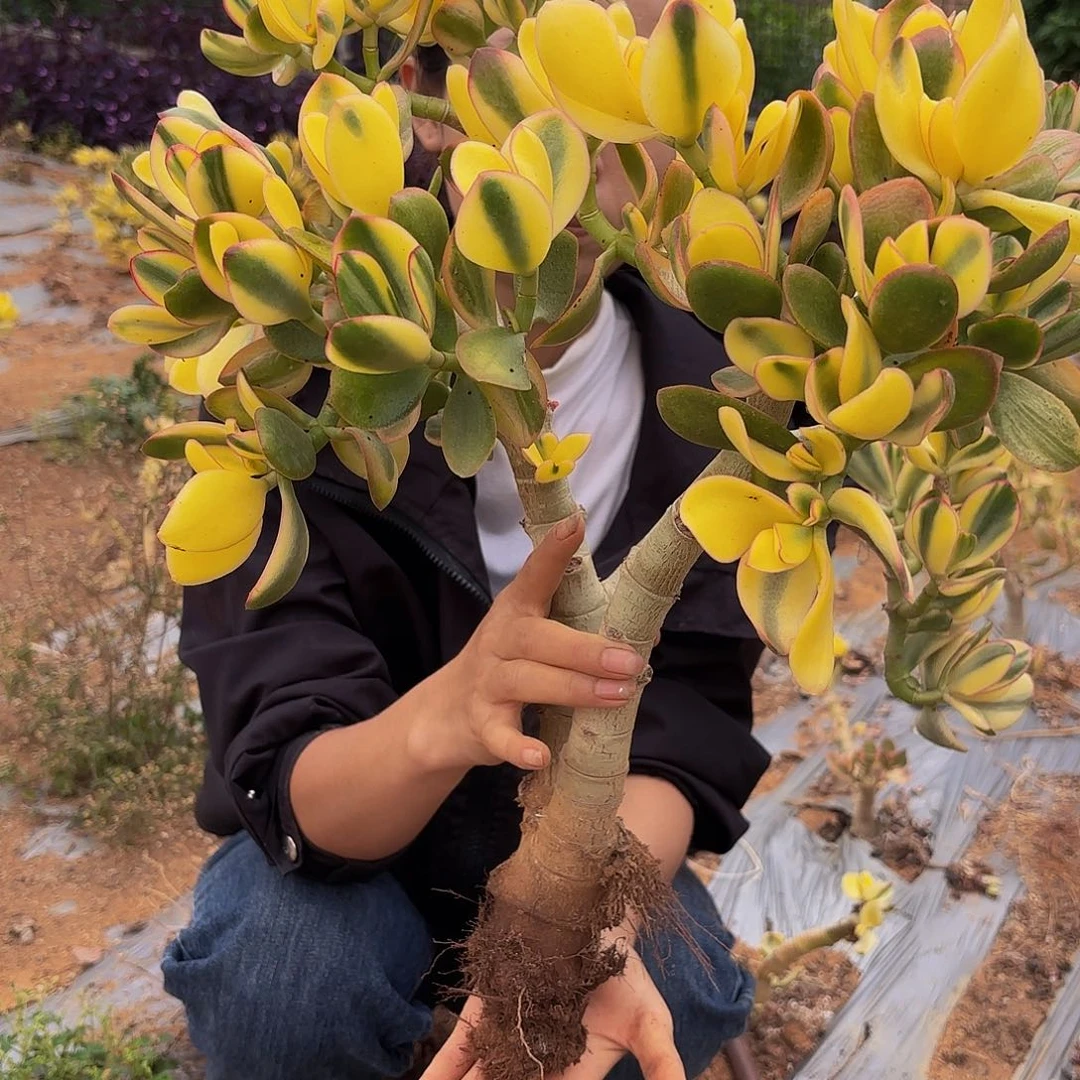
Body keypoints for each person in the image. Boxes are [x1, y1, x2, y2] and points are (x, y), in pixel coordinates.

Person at [162, 5, 773, 1077]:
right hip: (347, 851)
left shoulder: (734, 394)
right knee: (281, 972)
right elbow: (287, 761)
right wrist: (452, 709)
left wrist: (581, 912)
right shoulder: (287, 396)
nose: (543, 132)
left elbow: (690, 722)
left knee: (663, 986)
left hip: (597, 841)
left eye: (616, 79)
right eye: (468, 78)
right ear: (424, 107)